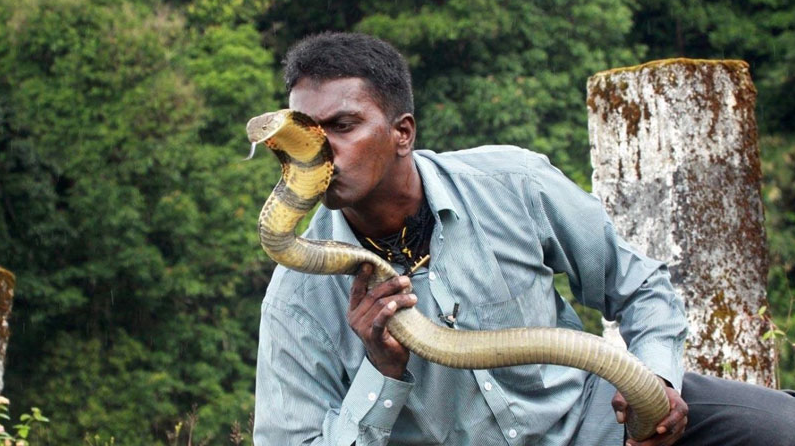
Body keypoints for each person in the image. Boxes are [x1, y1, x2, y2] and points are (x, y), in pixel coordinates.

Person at [253, 32, 795, 446]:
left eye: (343, 126)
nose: (322, 150)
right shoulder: (296, 297)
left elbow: (640, 287)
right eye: (308, 133)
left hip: (592, 423)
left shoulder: (512, 184)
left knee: (779, 425)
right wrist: (382, 371)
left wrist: (654, 385)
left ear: (402, 133)